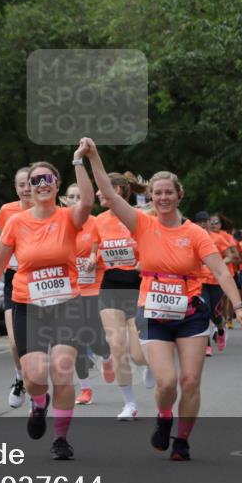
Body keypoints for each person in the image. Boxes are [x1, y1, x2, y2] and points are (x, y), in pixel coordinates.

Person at [83, 139, 242, 461]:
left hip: (190, 313)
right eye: (158, 193)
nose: (163, 197)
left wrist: (240, 307)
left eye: (168, 193)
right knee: (167, 382)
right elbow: (108, 192)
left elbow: (220, 270)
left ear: (179, 196)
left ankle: (182, 440)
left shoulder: (196, 233)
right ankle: (164, 417)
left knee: (190, 382)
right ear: (151, 197)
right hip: (153, 312)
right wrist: (93, 156)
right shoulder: (141, 224)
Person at [0, 148, 95, 460]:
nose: (41, 184)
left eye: (47, 179)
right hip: (28, 304)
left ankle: (60, 439)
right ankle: (39, 404)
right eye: (35, 180)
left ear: (57, 184)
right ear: (28, 187)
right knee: (35, 375)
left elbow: (87, 201)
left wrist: (79, 160)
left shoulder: (68, 217)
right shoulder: (16, 222)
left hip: (66, 304)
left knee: (62, 370)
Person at [94, 171, 153, 421]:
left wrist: (145, 262)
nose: (97, 193)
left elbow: (154, 246)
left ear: (116, 190)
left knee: (138, 356)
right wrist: (91, 260)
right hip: (110, 286)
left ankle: (150, 364)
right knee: (117, 347)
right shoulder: (98, 221)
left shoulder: (139, 217)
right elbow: (94, 250)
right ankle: (129, 404)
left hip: (138, 285)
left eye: (101, 188)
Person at [62, 182, 105, 405]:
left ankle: (105, 356)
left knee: (96, 339)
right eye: (72, 196)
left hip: (94, 289)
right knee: (75, 341)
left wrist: (94, 258)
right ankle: (85, 388)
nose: (76, 200)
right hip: (69, 291)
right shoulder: (58, 224)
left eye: (80, 196)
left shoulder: (97, 223)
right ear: (65, 200)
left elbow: (109, 250)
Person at [0, 168, 33, 407]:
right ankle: (20, 379)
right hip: (14, 278)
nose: (26, 189)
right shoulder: (7, 211)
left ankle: (38, 385)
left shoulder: (51, 211)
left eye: (30, 183)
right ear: (16, 188)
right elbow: (1, 242)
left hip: (40, 279)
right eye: (21, 185)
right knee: (14, 342)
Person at [194, 211, 239, 354]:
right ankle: (206, 345)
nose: (203, 224)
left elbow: (230, 256)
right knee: (203, 310)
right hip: (199, 281)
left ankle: (220, 330)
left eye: (205, 221)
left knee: (215, 314)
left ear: (209, 222)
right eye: (200, 222)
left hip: (216, 281)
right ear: (195, 224)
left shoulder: (218, 238)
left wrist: (216, 264)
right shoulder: (192, 238)